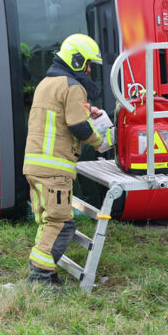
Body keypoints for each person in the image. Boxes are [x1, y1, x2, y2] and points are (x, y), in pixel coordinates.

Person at [22, 33, 113, 288]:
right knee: (62, 224)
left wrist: (87, 113)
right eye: (87, 64)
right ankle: (40, 279)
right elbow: (79, 127)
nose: (89, 70)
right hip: (54, 170)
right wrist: (102, 141)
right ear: (77, 61)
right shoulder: (72, 86)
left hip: (36, 166)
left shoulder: (48, 82)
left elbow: (64, 117)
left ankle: (45, 275)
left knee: (47, 221)